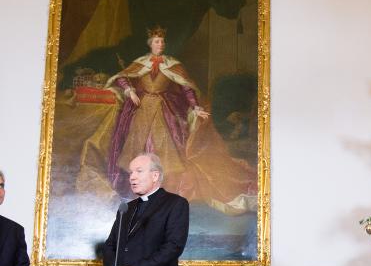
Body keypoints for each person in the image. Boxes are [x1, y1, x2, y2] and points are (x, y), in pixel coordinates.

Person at [76, 26, 257, 215]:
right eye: (156, 41)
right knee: (137, 149)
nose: (160, 44)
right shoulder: (141, 63)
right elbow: (122, 78)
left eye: (162, 42)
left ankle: (162, 194)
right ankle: (139, 194)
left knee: (165, 152)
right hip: (141, 111)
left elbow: (186, 88)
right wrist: (129, 90)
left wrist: (195, 106)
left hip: (164, 111)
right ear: (150, 44)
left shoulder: (173, 65)